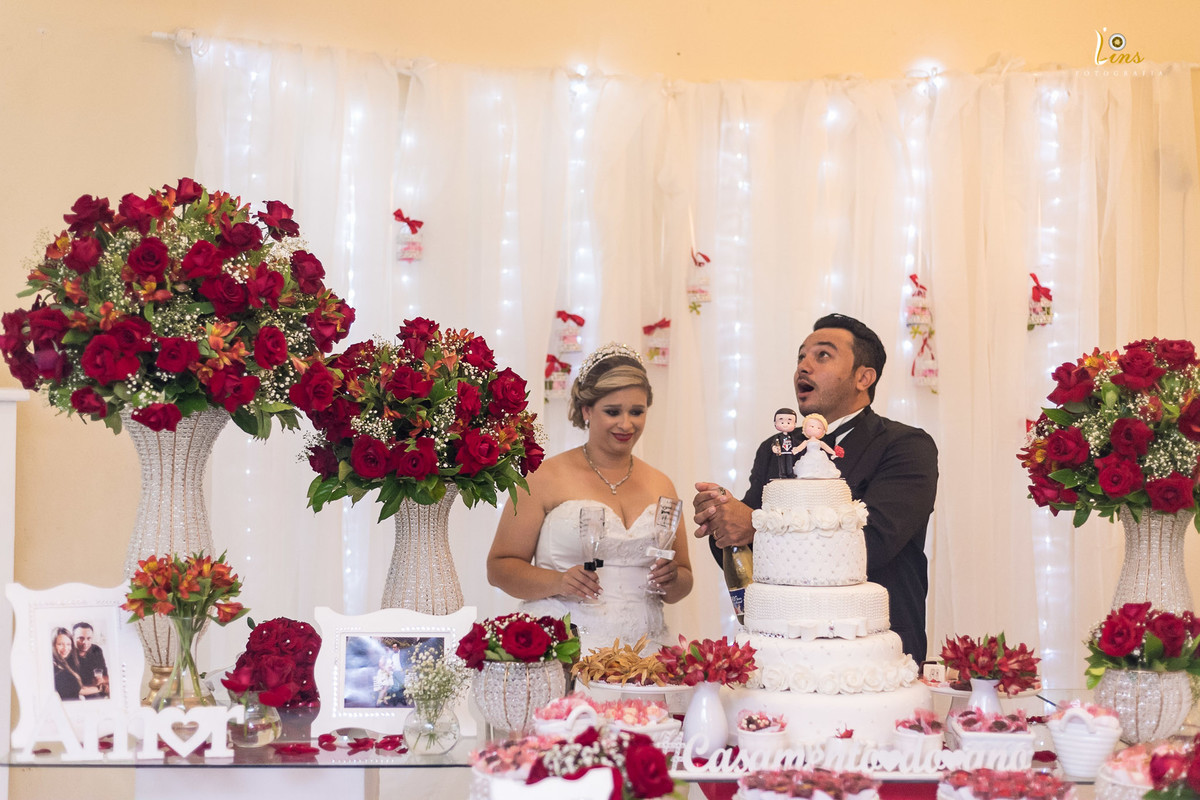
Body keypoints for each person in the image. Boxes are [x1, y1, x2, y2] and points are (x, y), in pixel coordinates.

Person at [692, 314, 938, 661]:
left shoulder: (906, 446)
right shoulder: (776, 448)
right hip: (783, 650)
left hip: (874, 650)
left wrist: (754, 525)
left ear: (863, 378)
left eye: (822, 355)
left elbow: (875, 542)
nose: (802, 367)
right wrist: (722, 519)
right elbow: (746, 551)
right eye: (800, 356)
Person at [487, 343, 693, 654]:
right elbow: (499, 568)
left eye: (637, 411)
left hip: (645, 653)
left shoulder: (661, 483)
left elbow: (683, 582)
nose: (627, 424)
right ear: (587, 411)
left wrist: (672, 578)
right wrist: (558, 582)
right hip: (567, 648)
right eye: (613, 412)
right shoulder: (543, 476)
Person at [792, 412, 843, 479]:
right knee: (808, 466)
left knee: (821, 467)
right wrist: (795, 450)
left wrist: (833, 452)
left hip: (819, 456)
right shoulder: (806, 442)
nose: (815, 429)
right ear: (804, 428)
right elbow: (800, 447)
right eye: (812, 426)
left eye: (819, 428)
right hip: (809, 456)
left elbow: (827, 448)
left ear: (823, 431)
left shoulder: (820, 442)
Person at [66, 622, 109, 699]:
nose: (85, 643)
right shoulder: (67, 653)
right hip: (78, 693)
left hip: (97, 690)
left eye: (89, 638)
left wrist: (103, 682)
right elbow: (74, 686)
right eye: (81, 638)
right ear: (72, 637)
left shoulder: (96, 650)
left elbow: (104, 675)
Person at [52, 627, 89, 701]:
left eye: (68, 644)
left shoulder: (65, 663)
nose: (65, 648)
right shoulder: (55, 669)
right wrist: (100, 688)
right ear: (53, 645)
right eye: (60, 644)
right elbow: (77, 691)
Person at [769, 408, 798, 479]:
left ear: (794, 424)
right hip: (781, 452)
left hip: (789, 452)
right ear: (775, 423)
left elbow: (795, 443)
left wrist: (796, 448)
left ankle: (790, 473)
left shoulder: (791, 436)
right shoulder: (778, 436)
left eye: (788, 423)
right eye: (782, 422)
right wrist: (774, 447)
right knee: (782, 463)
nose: (785, 425)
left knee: (789, 463)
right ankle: (782, 474)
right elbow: (774, 443)